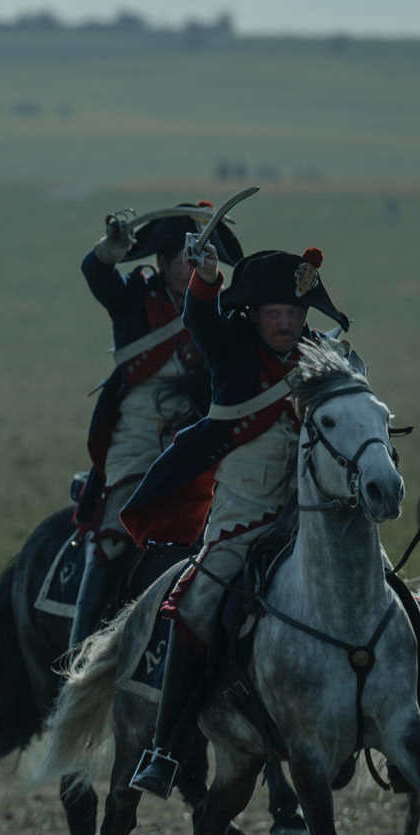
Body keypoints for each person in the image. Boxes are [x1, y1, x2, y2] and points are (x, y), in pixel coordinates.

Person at [119, 244, 352, 797]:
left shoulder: (324, 357)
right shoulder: (232, 349)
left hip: (308, 522)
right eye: (274, 313)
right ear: (253, 315)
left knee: (380, 591)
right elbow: (200, 316)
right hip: (241, 523)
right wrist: (205, 277)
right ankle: (165, 748)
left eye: (294, 313)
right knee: (194, 605)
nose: (286, 322)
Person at [71, 203, 243, 650]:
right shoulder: (134, 298)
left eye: (202, 253)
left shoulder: (219, 305)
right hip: (139, 435)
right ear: (162, 262)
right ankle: (78, 657)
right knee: (112, 541)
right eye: (185, 255)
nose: (194, 262)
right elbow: (98, 275)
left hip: (202, 437)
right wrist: (108, 250)